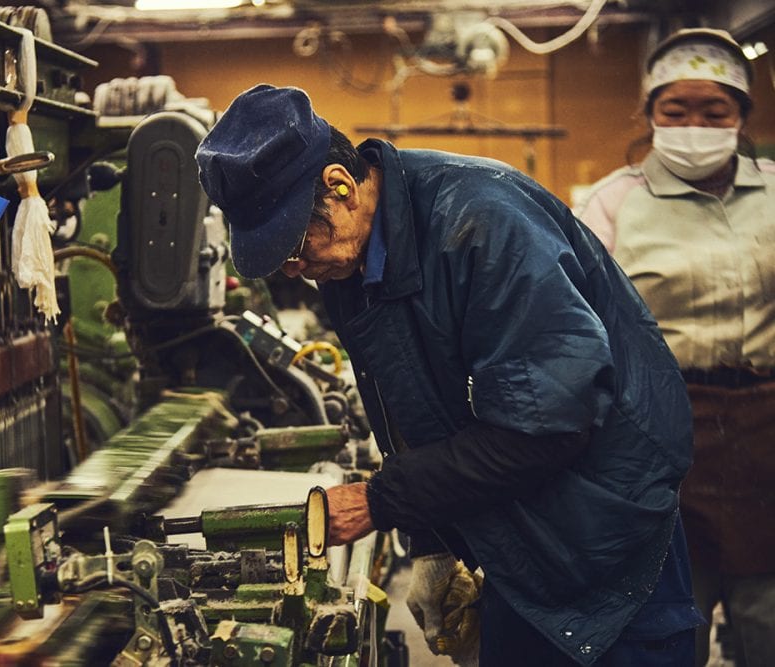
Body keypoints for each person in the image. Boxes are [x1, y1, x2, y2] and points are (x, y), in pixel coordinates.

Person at [196, 83, 704, 666]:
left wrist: (378, 503)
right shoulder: (350, 260)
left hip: (607, 547)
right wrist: (433, 542)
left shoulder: (483, 224)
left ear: (339, 185)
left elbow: (546, 427)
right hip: (520, 546)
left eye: (295, 245)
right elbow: (413, 410)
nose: (296, 268)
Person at [576, 27, 775, 667]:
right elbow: (581, 324)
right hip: (661, 435)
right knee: (671, 620)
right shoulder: (614, 202)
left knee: (766, 619)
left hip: (769, 430)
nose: (695, 125)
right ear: (650, 114)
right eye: (675, 109)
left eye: (715, 111)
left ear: (743, 115)